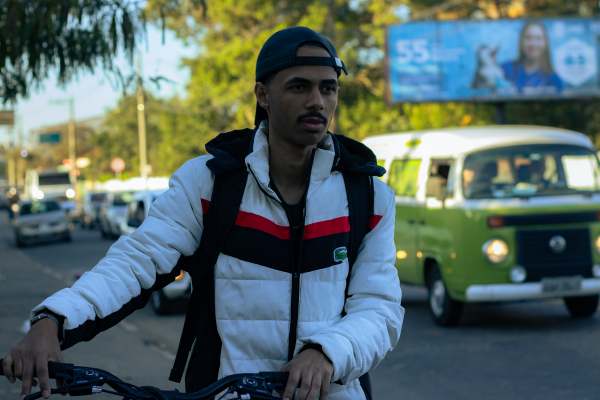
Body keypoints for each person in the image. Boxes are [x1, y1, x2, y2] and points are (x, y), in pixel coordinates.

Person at [2, 26, 404, 400]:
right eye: (299, 86)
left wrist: (327, 353)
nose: (317, 101)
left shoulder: (367, 197)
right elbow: (137, 261)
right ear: (263, 95)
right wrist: (54, 320)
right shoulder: (210, 184)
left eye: (328, 88)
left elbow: (380, 309)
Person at [501, 21, 563, 94]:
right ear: (521, 42)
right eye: (528, 38)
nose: (533, 44)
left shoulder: (554, 80)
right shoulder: (505, 70)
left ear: (546, 43)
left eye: (538, 38)